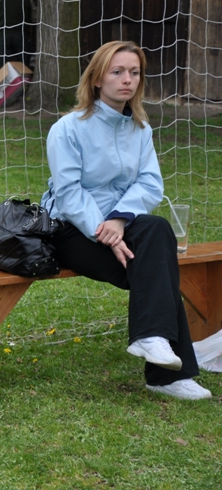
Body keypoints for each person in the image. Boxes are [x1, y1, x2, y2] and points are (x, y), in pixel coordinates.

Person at [40, 41, 211, 400]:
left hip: (123, 226)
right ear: (97, 79)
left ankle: (153, 342)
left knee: (158, 229)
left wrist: (119, 221)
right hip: (71, 230)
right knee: (158, 269)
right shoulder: (67, 128)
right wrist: (107, 233)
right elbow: (69, 194)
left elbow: (150, 183)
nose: (127, 80)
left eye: (134, 72)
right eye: (117, 72)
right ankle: (166, 375)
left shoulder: (140, 129)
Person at [0, 0, 32, 69]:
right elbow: (35, 17)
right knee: (22, 67)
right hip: (21, 36)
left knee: (2, 68)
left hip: (3, 36)